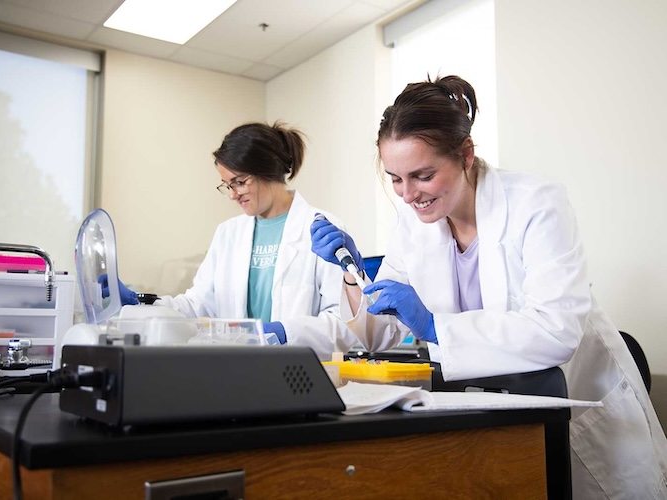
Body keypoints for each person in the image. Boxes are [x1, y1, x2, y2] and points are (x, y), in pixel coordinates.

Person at [310, 75, 667, 498]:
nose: (408, 195)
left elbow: (556, 330)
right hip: (486, 410)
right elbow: (382, 325)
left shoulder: (536, 204)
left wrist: (435, 327)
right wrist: (351, 273)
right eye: (395, 179)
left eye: (422, 175)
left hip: (578, 405)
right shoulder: (413, 222)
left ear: (465, 154)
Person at [118, 121, 355, 358]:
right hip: (237, 368)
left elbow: (346, 323)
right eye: (226, 185)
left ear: (268, 170)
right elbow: (197, 305)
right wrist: (141, 304)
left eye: (239, 182)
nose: (232, 194)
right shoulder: (228, 233)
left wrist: (286, 332)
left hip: (298, 371)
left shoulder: (323, 229)